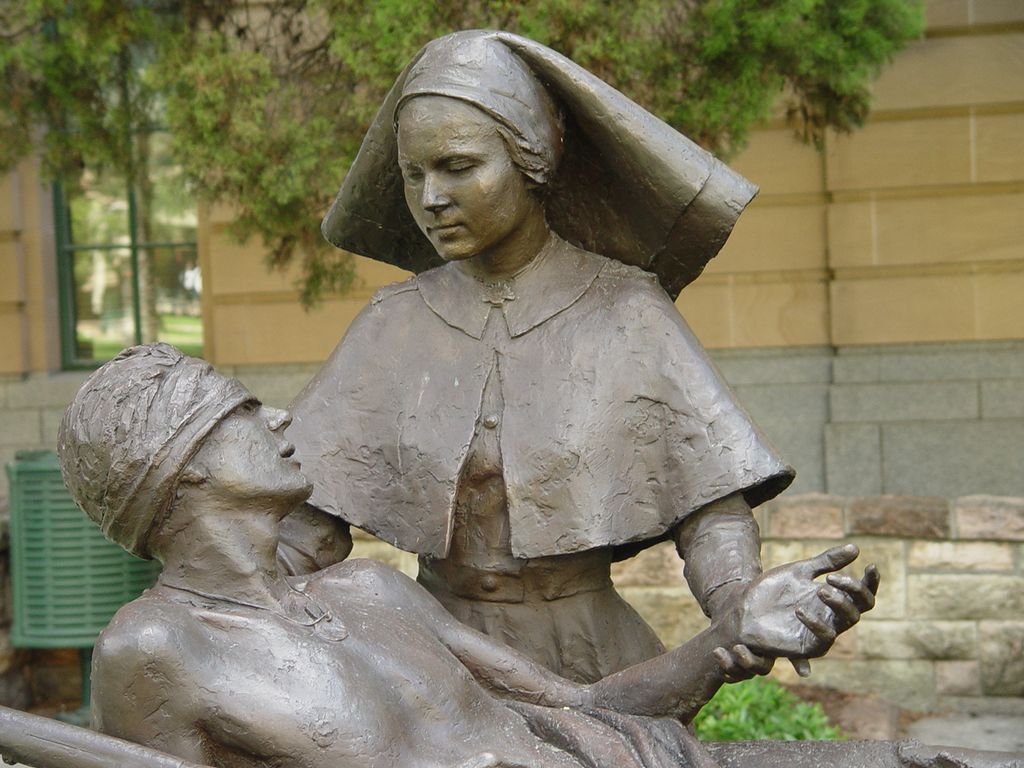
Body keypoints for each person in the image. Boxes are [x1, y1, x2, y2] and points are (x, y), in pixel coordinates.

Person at [57, 344, 876, 768]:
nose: (278, 419)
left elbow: (583, 707)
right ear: (178, 462)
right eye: (241, 410)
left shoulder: (368, 588)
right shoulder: (156, 646)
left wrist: (730, 635)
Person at [288, 30, 795, 682]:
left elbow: (710, 513)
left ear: (533, 161)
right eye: (414, 175)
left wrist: (743, 606)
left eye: (458, 166)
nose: (432, 198)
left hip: (589, 661)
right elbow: (307, 529)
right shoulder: (390, 326)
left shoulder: (628, 313)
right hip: (434, 665)